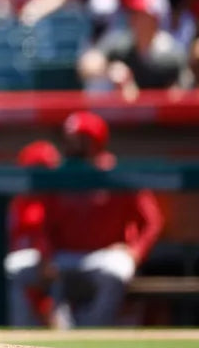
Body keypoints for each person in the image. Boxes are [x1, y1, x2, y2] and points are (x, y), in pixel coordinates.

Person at [21, 112, 163, 328]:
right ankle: (20, 337)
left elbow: (152, 222)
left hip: (104, 255)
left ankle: (91, 334)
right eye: (69, 139)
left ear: (95, 142)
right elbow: (42, 225)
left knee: (117, 270)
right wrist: (45, 254)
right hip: (63, 257)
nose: (70, 145)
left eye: (78, 139)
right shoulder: (58, 176)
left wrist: (135, 251)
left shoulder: (117, 175)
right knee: (17, 269)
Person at [77, 0, 192, 100]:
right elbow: (86, 66)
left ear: (156, 19)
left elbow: (181, 93)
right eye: (133, 13)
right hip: (124, 115)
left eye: (141, 14)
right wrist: (110, 71)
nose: (134, 18)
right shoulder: (120, 43)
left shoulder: (173, 53)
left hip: (160, 116)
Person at [5, 140, 63, 327]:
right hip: (29, 263)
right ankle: (21, 332)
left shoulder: (56, 198)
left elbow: (56, 234)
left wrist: (47, 257)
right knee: (12, 272)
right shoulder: (20, 200)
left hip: (55, 259)